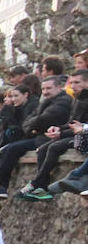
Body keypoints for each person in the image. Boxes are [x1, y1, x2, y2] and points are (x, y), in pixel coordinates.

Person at [0, 72, 71, 198]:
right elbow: (29, 121)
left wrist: (32, 126)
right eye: (43, 88)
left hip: (46, 138)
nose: (45, 91)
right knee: (7, 149)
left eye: (49, 88)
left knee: (11, 148)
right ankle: (0, 185)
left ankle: (3, 184)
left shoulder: (62, 101)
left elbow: (40, 120)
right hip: (39, 136)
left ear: (59, 88)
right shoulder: (46, 102)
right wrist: (31, 126)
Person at [18, 69, 88, 199]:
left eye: (77, 82)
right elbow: (72, 123)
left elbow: (81, 126)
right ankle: (40, 184)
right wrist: (58, 129)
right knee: (42, 149)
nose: (73, 86)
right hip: (77, 133)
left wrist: (61, 133)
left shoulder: (70, 100)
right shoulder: (77, 98)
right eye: (71, 82)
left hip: (82, 136)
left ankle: (39, 185)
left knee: (53, 147)